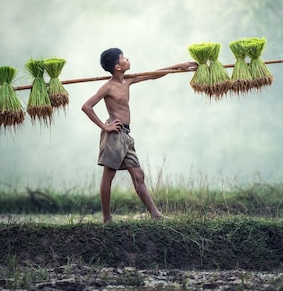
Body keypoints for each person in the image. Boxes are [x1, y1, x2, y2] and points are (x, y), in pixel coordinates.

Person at [82, 47, 197, 223]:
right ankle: (106, 218)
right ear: (117, 67)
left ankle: (156, 215)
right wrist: (105, 127)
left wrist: (179, 66)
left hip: (126, 135)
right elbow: (87, 107)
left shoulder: (127, 81)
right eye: (123, 58)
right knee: (109, 173)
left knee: (138, 175)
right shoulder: (107, 87)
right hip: (114, 133)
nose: (127, 59)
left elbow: (154, 74)